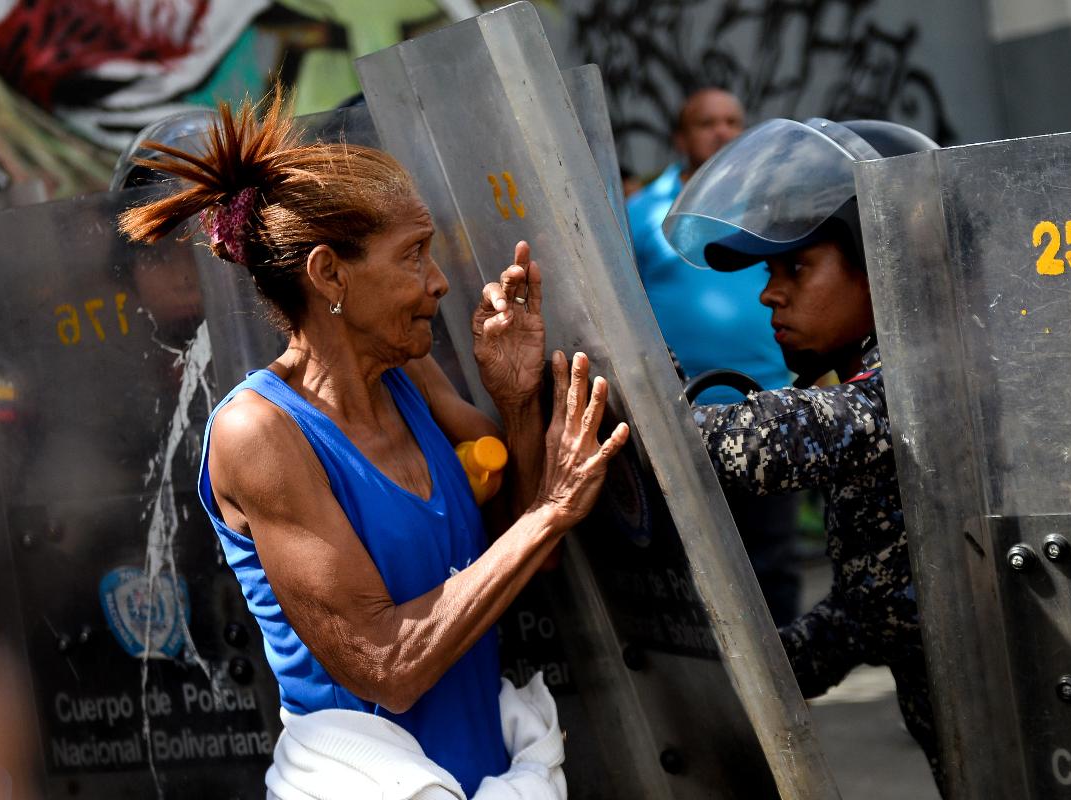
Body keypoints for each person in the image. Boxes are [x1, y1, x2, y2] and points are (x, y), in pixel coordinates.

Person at [118, 94, 629, 798]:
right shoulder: (258, 434)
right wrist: (553, 509)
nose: (438, 281)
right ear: (329, 274)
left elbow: (520, 560)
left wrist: (514, 401)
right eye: (413, 254)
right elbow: (386, 666)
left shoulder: (408, 372)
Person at [663, 117, 944, 789]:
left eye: (796, 267)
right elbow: (869, 610)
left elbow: (745, 446)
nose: (769, 292)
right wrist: (738, 680)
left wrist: (632, 404)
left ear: (882, 261)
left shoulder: (924, 388)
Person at [627, 87, 792, 403]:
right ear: (680, 138)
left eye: (732, 122)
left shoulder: (772, 207)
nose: (722, 132)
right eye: (707, 123)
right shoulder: (642, 211)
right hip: (676, 402)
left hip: (772, 397)